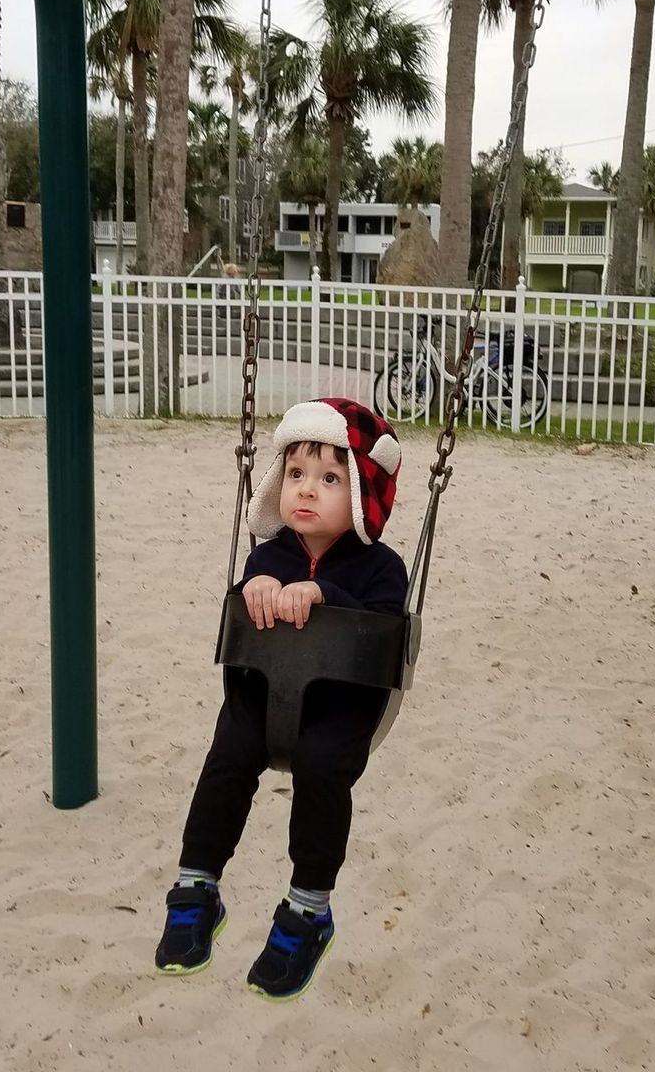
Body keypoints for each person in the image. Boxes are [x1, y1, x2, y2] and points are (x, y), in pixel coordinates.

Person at [156, 397, 407, 1001]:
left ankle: (308, 909)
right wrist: (258, 586)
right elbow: (248, 602)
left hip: (342, 710)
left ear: (363, 496)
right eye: (296, 473)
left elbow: (383, 626)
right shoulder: (268, 554)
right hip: (262, 698)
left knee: (322, 768)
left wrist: (324, 595)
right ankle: (196, 887)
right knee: (228, 753)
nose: (307, 490)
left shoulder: (382, 568)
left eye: (330, 479)